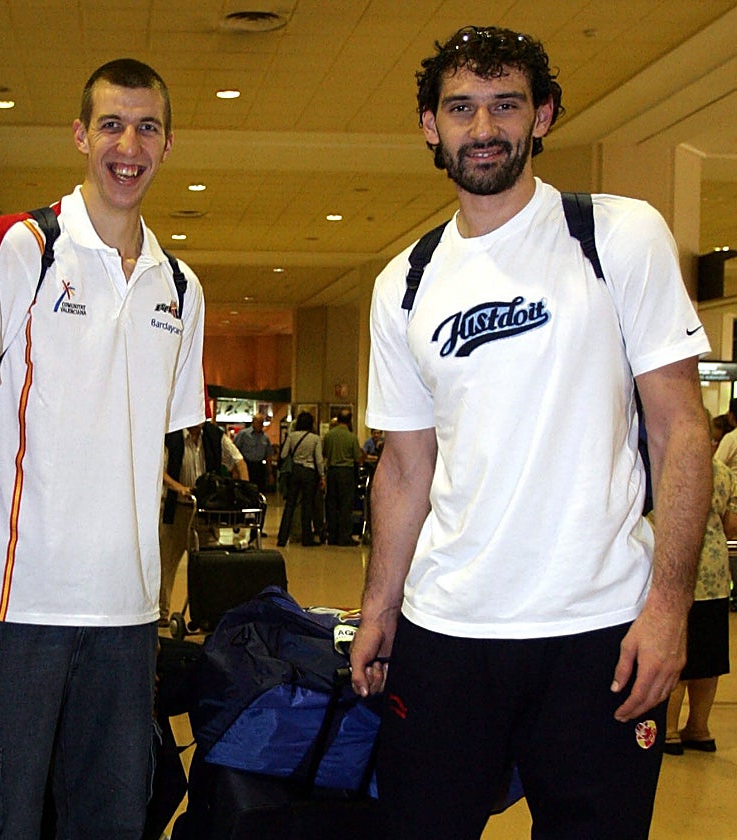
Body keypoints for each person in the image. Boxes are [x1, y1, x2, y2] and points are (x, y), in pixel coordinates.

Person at [349, 25, 712, 840]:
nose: (483, 128)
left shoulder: (617, 236)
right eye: (461, 108)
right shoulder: (405, 280)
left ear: (542, 116)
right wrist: (379, 607)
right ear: (430, 126)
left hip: (599, 632)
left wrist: (669, 606)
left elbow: (681, 429)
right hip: (447, 630)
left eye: (505, 105)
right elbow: (405, 467)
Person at [0, 58, 205, 840]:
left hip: (126, 616)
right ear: (81, 135)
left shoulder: (181, 288)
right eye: (111, 125)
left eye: (147, 128)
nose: (129, 146)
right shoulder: (18, 247)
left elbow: (149, 444)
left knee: (111, 823)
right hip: (10, 606)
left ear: (167, 144)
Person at [663, 457, 737, 754]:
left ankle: (668, 731)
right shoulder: (724, 473)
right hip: (716, 575)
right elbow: (732, 525)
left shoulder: (668, 464)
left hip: (678, 573)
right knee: (709, 658)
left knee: (678, 653)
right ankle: (699, 728)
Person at [160, 422, 247, 624]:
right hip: (176, 509)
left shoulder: (214, 435)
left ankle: (207, 613)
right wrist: (179, 487)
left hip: (205, 512)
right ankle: (162, 613)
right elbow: (159, 471)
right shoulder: (171, 436)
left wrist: (244, 489)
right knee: (166, 563)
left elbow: (238, 461)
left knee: (209, 563)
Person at [275, 410, 325, 547]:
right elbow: (319, 459)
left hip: (295, 471)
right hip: (309, 472)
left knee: (290, 505)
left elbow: (283, 454)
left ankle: (282, 538)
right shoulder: (315, 438)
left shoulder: (291, 436)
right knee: (307, 505)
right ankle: (306, 538)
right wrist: (322, 475)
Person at [323, 409, 363, 546]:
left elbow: (325, 453)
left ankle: (332, 535)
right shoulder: (352, 437)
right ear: (350, 421)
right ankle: (344, 537)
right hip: (346, 472)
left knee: (332, 504)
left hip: (332, 472)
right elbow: (357, 457)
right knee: (346, 505)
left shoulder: (329, 436)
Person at [234, 413, 273, 491]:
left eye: (262, 422)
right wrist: (235, 470)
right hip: (247, 465)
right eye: (258, 422)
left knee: (259, 490)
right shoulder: (243, 434)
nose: (260, 425)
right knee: (246, 489)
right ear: (253, 422)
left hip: (260, 467)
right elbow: (235, 452)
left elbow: (268, 455)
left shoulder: (265, 438)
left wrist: (270, 473)